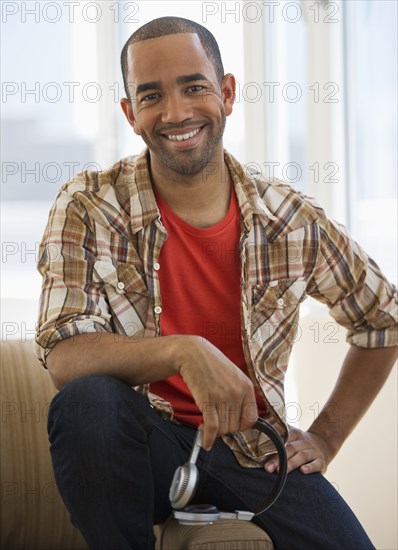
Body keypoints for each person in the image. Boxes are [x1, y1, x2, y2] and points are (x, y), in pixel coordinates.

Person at [35, 16, 397, 550]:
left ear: (227, 93)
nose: (176, 112)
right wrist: (184, 351)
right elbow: (65, 356)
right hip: (144, 446)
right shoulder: (89, 204)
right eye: (152, 95)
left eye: (195, 86)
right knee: (88, 402)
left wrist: (325, 436)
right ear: (131, 113)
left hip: (251, 450)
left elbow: (382, 321)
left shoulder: (289, 218)